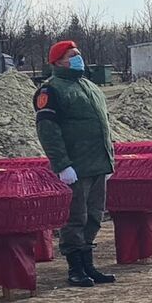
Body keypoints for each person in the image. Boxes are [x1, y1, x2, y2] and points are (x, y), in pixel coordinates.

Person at [35, 40, 117, 289]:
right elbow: (48, 131)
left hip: (98, 164)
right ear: (58, 61)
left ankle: (88, 263)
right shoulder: (51, 91)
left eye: (79, 54)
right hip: (76, 166)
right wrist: (62, 165)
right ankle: (75, 268)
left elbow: (104, 127)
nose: (78, 58)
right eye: (72, 55)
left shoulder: (91, 87)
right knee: (76, 218)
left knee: (93, 216)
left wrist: (108, 160)